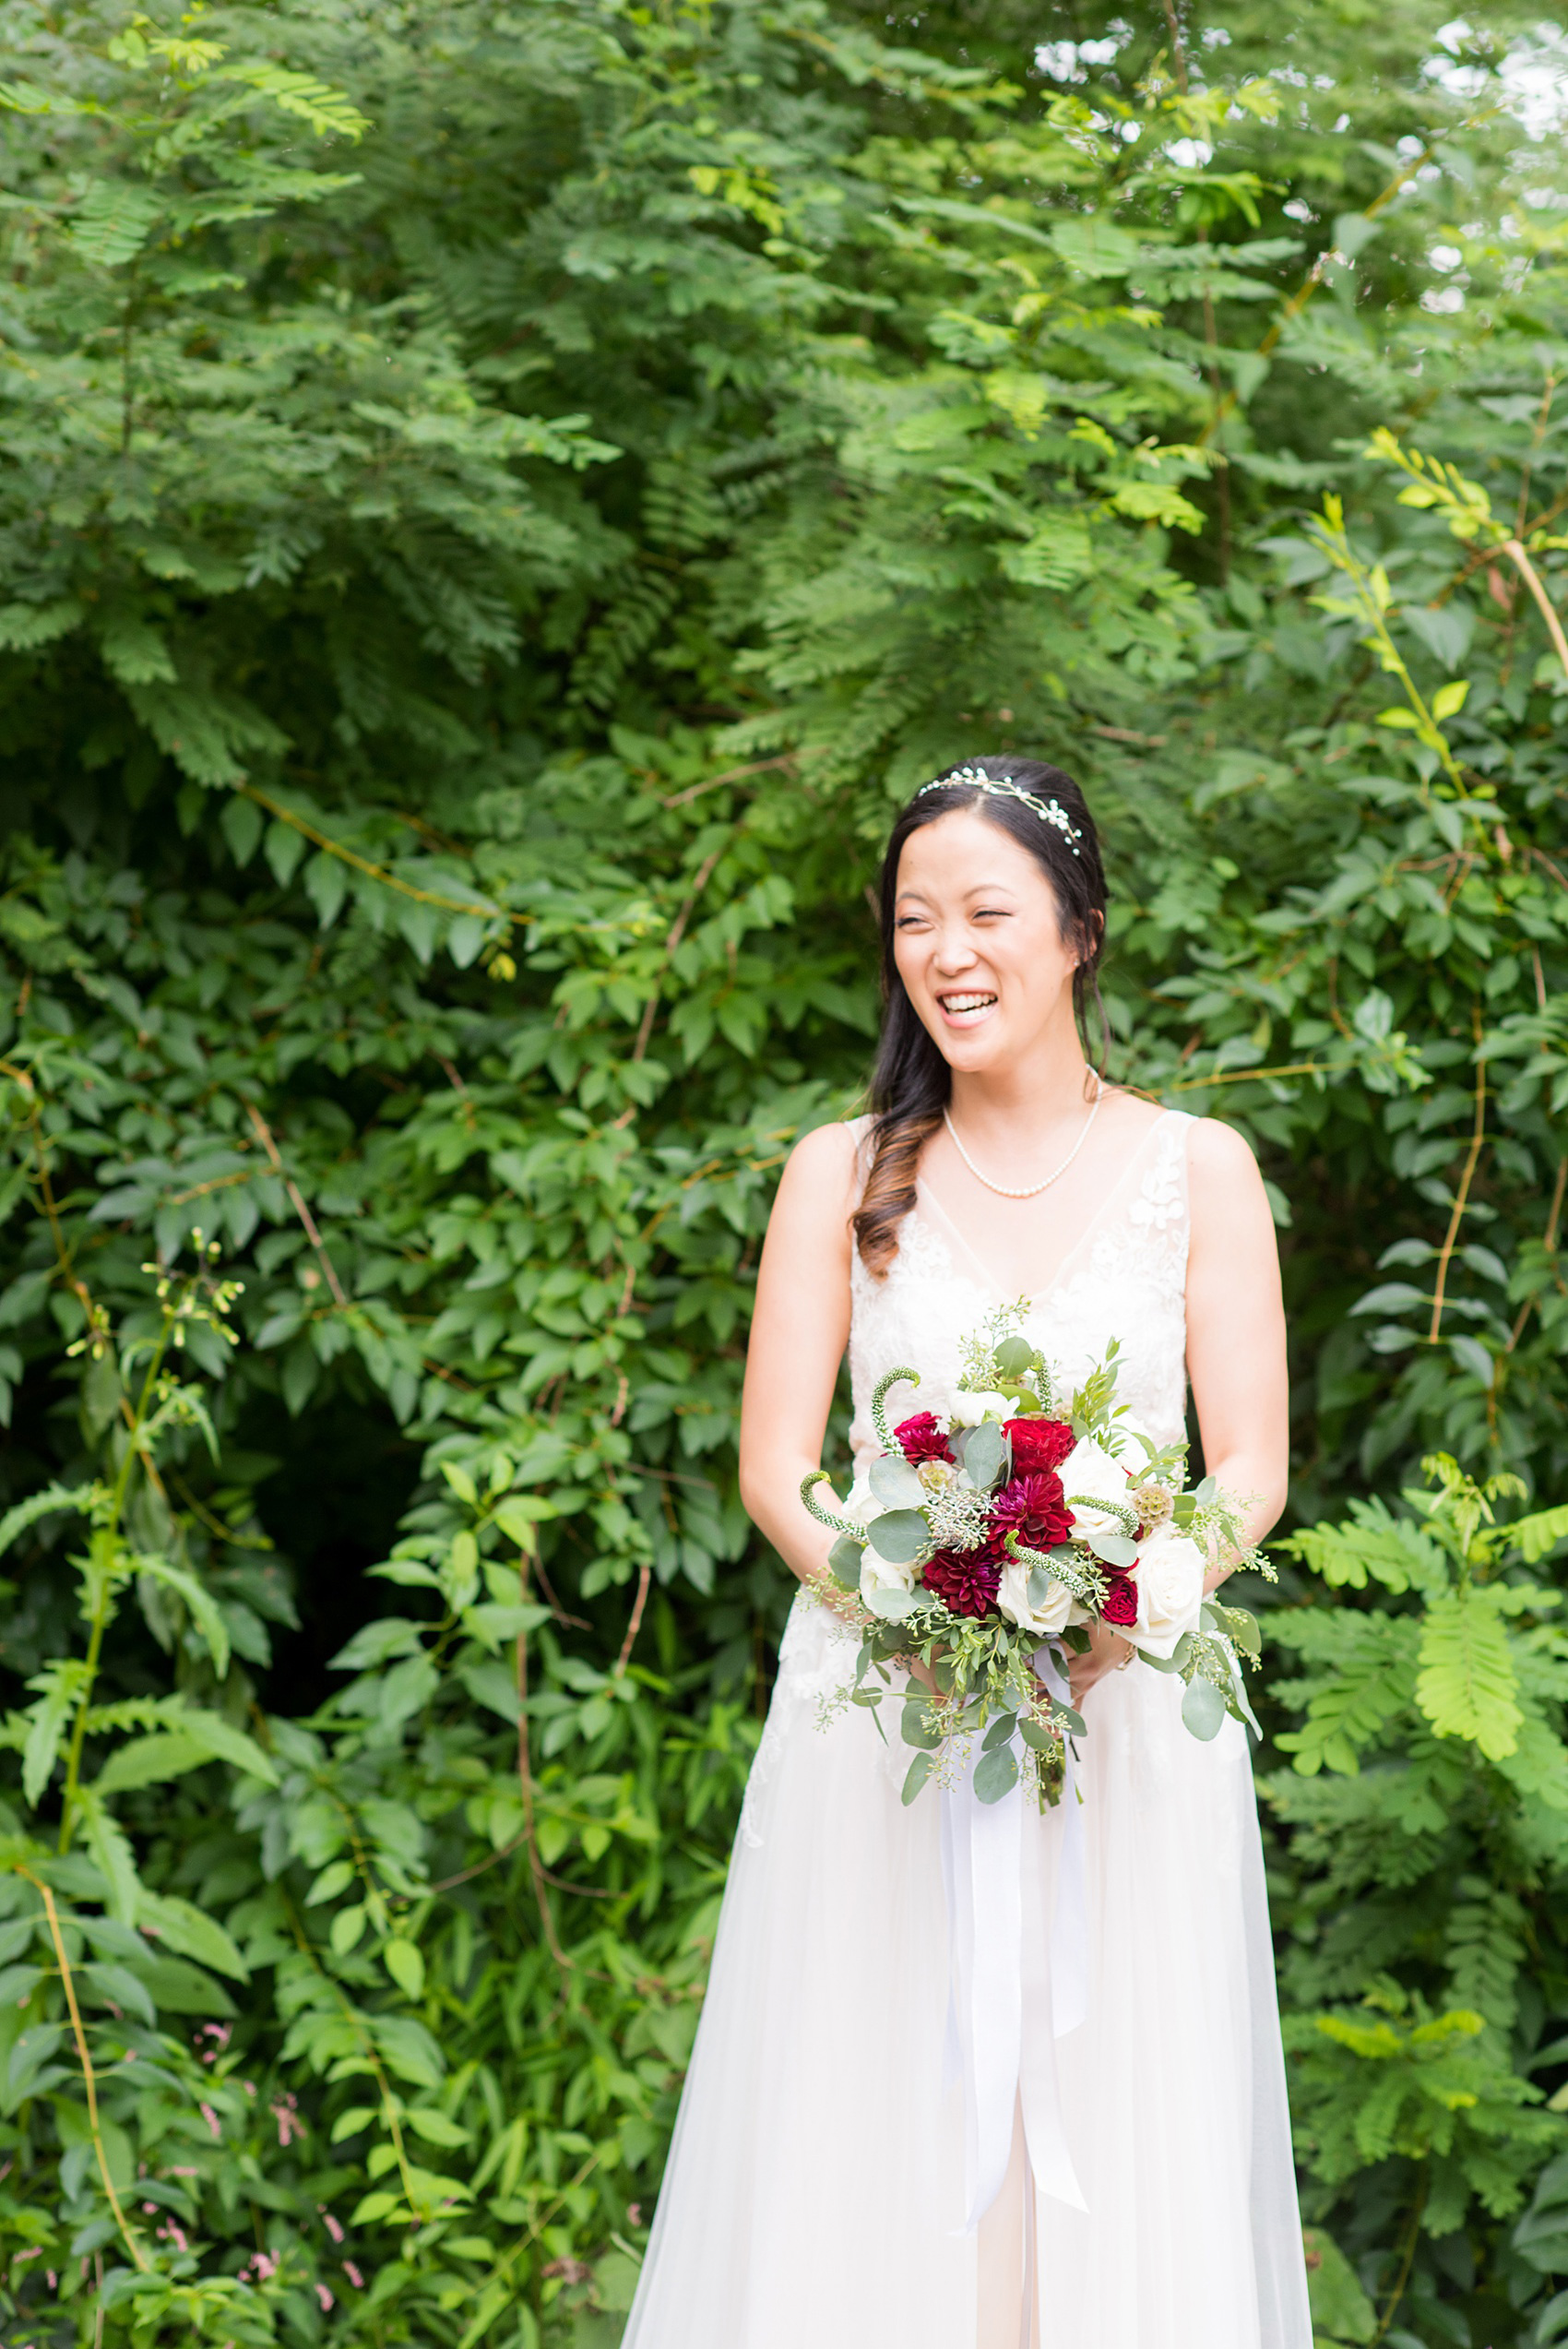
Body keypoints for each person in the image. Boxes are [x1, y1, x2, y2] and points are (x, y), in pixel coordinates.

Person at [621, 757, 1313, 2349]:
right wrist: (901, 1600)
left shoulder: (1195, 1169)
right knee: (870, 2127)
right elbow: (778, 1467)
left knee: (1122, 2130)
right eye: (916, 918)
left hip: (1125, 1723)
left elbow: (1252, 1465)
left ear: (1077, 931)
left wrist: (1134, 1600)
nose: (949, 950)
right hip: (887, 1734)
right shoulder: (839, 1172)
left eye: (989, 911)